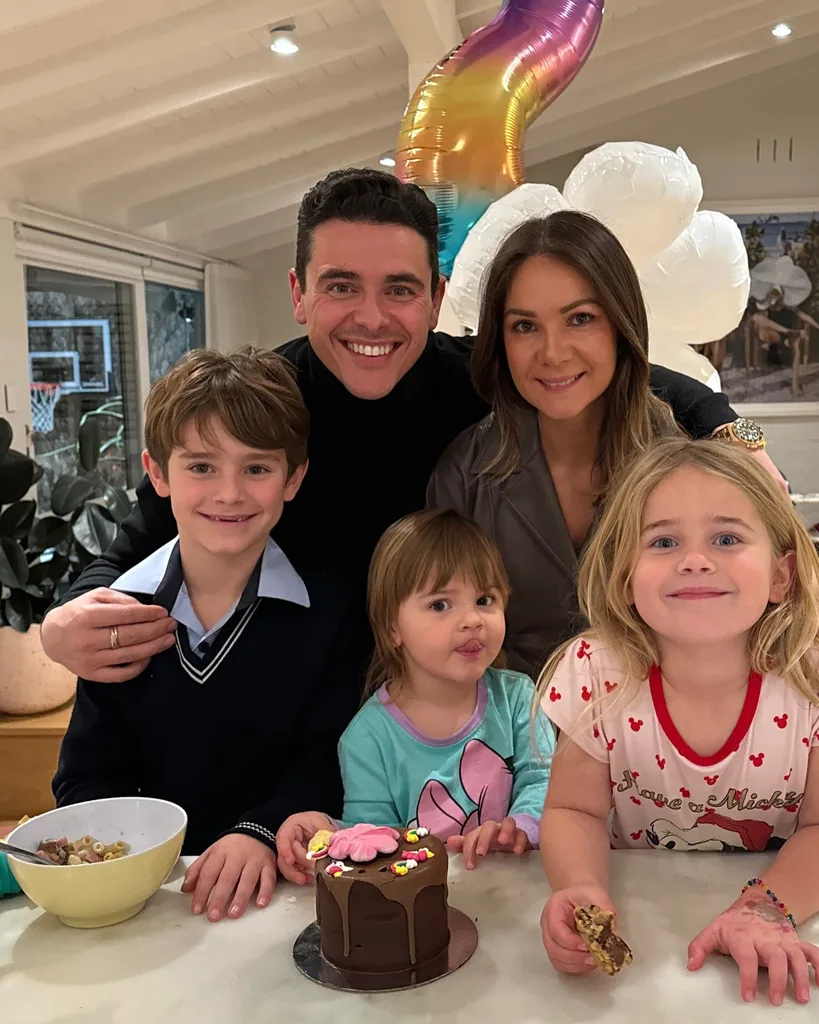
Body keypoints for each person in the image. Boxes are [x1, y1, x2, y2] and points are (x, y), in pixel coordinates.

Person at [40, 168, 777, 684]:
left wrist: (728, 430)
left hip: (475, 697)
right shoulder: (258, 405)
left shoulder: (479, 380)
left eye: (398, 289)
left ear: (434, 297)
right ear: (298, 293)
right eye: (340, 287)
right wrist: (67, 618)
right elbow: (141, 538)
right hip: (307, 696)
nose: (370, 317)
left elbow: (609, 371)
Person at [52, 349, 369, 922]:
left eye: (256, 468)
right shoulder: (117, 620)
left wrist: (260, 831)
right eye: (201, 466)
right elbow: (86, 777)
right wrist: (136, 859)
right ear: (157, 474)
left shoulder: (334, 610)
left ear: (293, 479)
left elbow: (335, 758)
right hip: (148, 897)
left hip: (285, 892)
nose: (229, 493)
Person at [428, 212, 777, 678]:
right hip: (508, 741)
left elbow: (766, 619)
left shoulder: (689, 459)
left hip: (674, 734)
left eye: (580, 319)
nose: (553, 353)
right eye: (525, 326)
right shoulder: (463, 472)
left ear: (619, 323)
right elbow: (438, 646)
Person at [537, 437, 819, 1006]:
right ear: (624, 577)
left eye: (727, 538)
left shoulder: (810, 679)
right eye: (663, 541)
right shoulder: (595, 674)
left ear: (781, 575)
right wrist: (581, 886)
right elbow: (574, 810)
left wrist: (763, 907)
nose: (695, 559)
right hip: (645, 939)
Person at [275, 509, 555, 874]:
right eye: (440, 604)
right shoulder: (367, 737)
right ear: (393, 628)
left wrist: (520, 827)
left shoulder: (519, 698)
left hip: (518, 893)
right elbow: (374, 836)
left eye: (485, 600)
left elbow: (546, 782)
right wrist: (326, 832)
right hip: (425, 910)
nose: (472, 619)